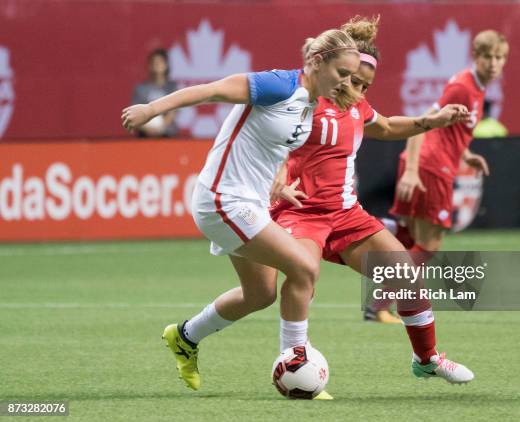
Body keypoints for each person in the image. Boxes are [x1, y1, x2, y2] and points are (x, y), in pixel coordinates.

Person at [122, 26, 363, 392]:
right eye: (342, 73)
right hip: (222, 199)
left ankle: (185, 337)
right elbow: (211, 90)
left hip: (250, 202)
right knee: (304, 267)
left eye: (351, 76)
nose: (346, 82)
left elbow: (274, 148)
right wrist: (151, 109)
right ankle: (296, 363)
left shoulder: (313, 104)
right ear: (316, 61)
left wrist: (279, 186)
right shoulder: (278, 85)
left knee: (261, 294)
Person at [268, 16, 474, 386]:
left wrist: (435, 120)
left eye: (365, 84)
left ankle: (426, 359)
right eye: (353, 79)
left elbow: (390, 126)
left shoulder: (357, 108)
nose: (359, 89)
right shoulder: (303, 99)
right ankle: (294, 364)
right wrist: (279, 177)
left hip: (346, 216)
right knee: (302, 278)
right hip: (302, 211)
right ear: (337, 70)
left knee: (407, 276)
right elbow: (274, 143)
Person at [388, 30, 509, 255]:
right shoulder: (463, 88)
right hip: (431, 166)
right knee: (429, 245)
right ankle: (393, 288)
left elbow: (453, 127)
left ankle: (398, 280)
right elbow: (422, 123)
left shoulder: (476, 87)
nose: (493, 63)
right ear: (475, 56)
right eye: (487, 56)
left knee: (413, 237)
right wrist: (412, 171)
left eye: (499, 57)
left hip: (427, 162)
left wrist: (466, 155)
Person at [131, 48, 179, 137]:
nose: (157, 65)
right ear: (149, 65)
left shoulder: (172, 88)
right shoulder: (141, 89)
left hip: (168, 136)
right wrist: (149, 129)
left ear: (166, 65)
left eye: (160, 62)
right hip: (145, 136)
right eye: (154, 62)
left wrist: (161, 127)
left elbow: (173, 112)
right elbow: (135, 114)